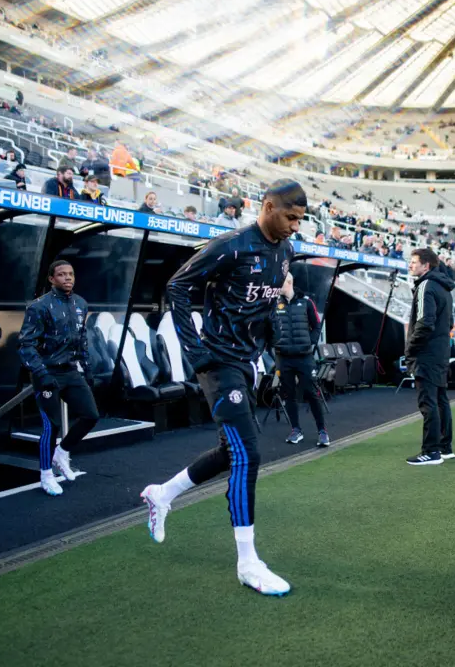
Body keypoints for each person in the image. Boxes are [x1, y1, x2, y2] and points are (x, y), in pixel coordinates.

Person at [140, 179, 307, 596]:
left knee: (229, 451)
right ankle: (248, 563)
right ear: (267, 206)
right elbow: (177, 286)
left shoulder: (286, 251)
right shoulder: (230, 245)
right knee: (248, 453)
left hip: (246, 363)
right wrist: (196, 352)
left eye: (300, 220)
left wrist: (265, 352)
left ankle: (162, 494)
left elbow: (265, 304)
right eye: (290, 216)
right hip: (217, 362)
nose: (294, 226)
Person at [18, 261, 99, 496]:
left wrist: (88, 369)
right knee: (51, 425)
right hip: (46, 372)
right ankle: (45, 475)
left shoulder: (81, 303)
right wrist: (41, 374)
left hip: (70, 371)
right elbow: (25, 345)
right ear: (52, 279)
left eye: (71, 274)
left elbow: (81, 340)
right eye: (61, 274)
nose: (67, 278)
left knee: (91, 416)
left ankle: (62, 453)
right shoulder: (39, 306)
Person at [404, 249, 455, 466]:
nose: (410, 265)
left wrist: (411, 348)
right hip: (440, 351)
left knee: (429, 402)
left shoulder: (426, 285)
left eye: (414, 262)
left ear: (426, 266)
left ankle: (431, 451)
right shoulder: (444, 288)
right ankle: (445, 447)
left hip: (427, 353)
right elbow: (450, 322)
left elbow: (425, 322)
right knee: (441, 400)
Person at [273, 272, 328, 447]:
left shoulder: (306, 302)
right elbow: (267, 328)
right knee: (289, 395)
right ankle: (296, 430)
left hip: (304, 357)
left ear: (288, 282)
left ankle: (322, 431)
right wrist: (273, 344)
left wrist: (311, 341)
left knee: (312, 393)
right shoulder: (273, 304)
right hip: (284, 358)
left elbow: (317, 324)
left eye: (279, 282)